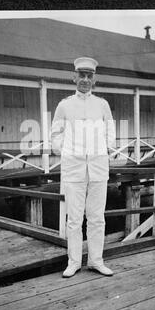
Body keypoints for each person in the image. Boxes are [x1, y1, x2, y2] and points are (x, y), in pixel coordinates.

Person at [51, 57, 116, 278]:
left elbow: (111, 132)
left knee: (97, 216)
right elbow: (55, 134)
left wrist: (105, 150)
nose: (85, 80)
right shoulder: (65, 105)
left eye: (89, 76)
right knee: (74, 218)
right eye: (81, 75)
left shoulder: (102, 104)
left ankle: (96, 261)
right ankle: (74, 262)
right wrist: (66, 153)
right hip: (73, 168)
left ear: (94, 79)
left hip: (98, 167)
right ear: (74, 77)